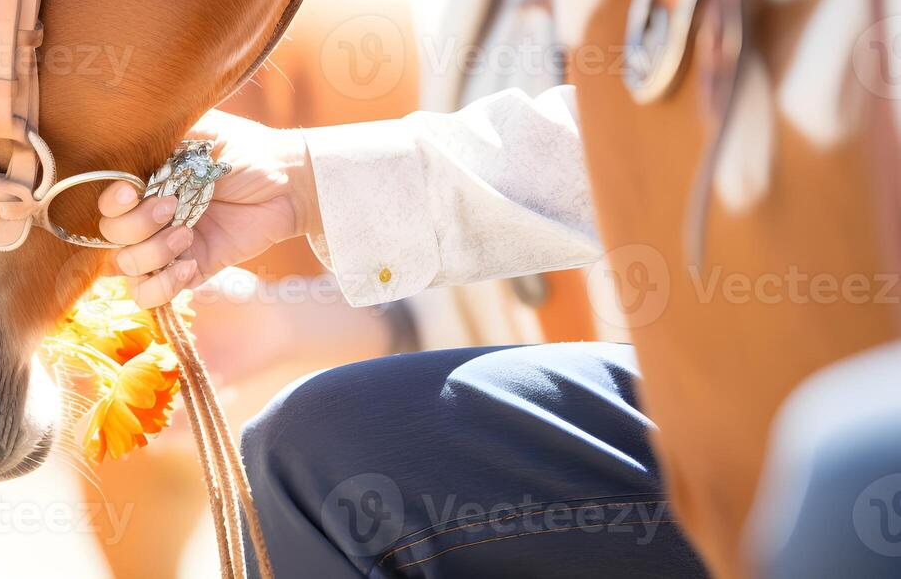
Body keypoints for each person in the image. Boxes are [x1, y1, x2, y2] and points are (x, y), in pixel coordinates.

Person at [96, 88, 711, 577]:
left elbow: (693, 138)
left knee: (316, 454)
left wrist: (308, 176)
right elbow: (512, 275)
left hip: (754, 408)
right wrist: (293, 321)